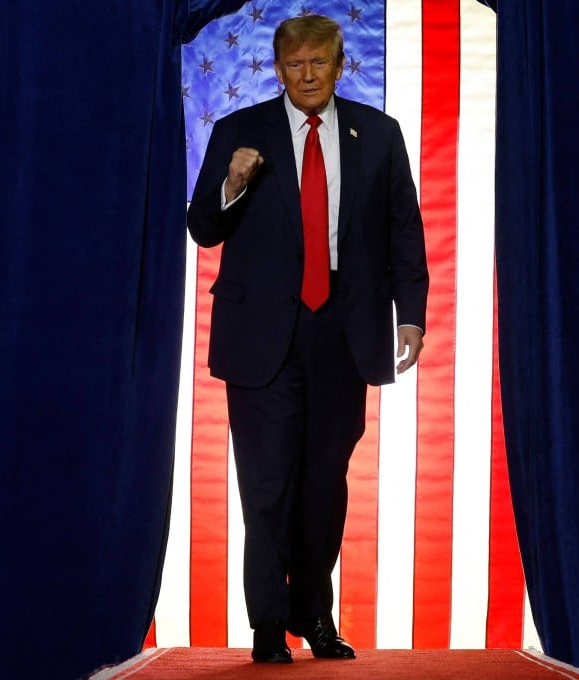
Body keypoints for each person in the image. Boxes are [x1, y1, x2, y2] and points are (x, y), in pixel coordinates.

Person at [187, 14, 429, 664]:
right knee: (266, 486)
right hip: (263, 333)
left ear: (340, 63)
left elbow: (404, 229)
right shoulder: (239, 132)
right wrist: (232, 184)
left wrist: (411, 315)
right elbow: (204, 229)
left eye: (318, 62)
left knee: (325, 484)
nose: (307, 74)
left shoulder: (378, 135)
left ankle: (314, 616)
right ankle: (269, 625)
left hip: (343, 333)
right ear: (279, 67)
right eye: (295, 64)